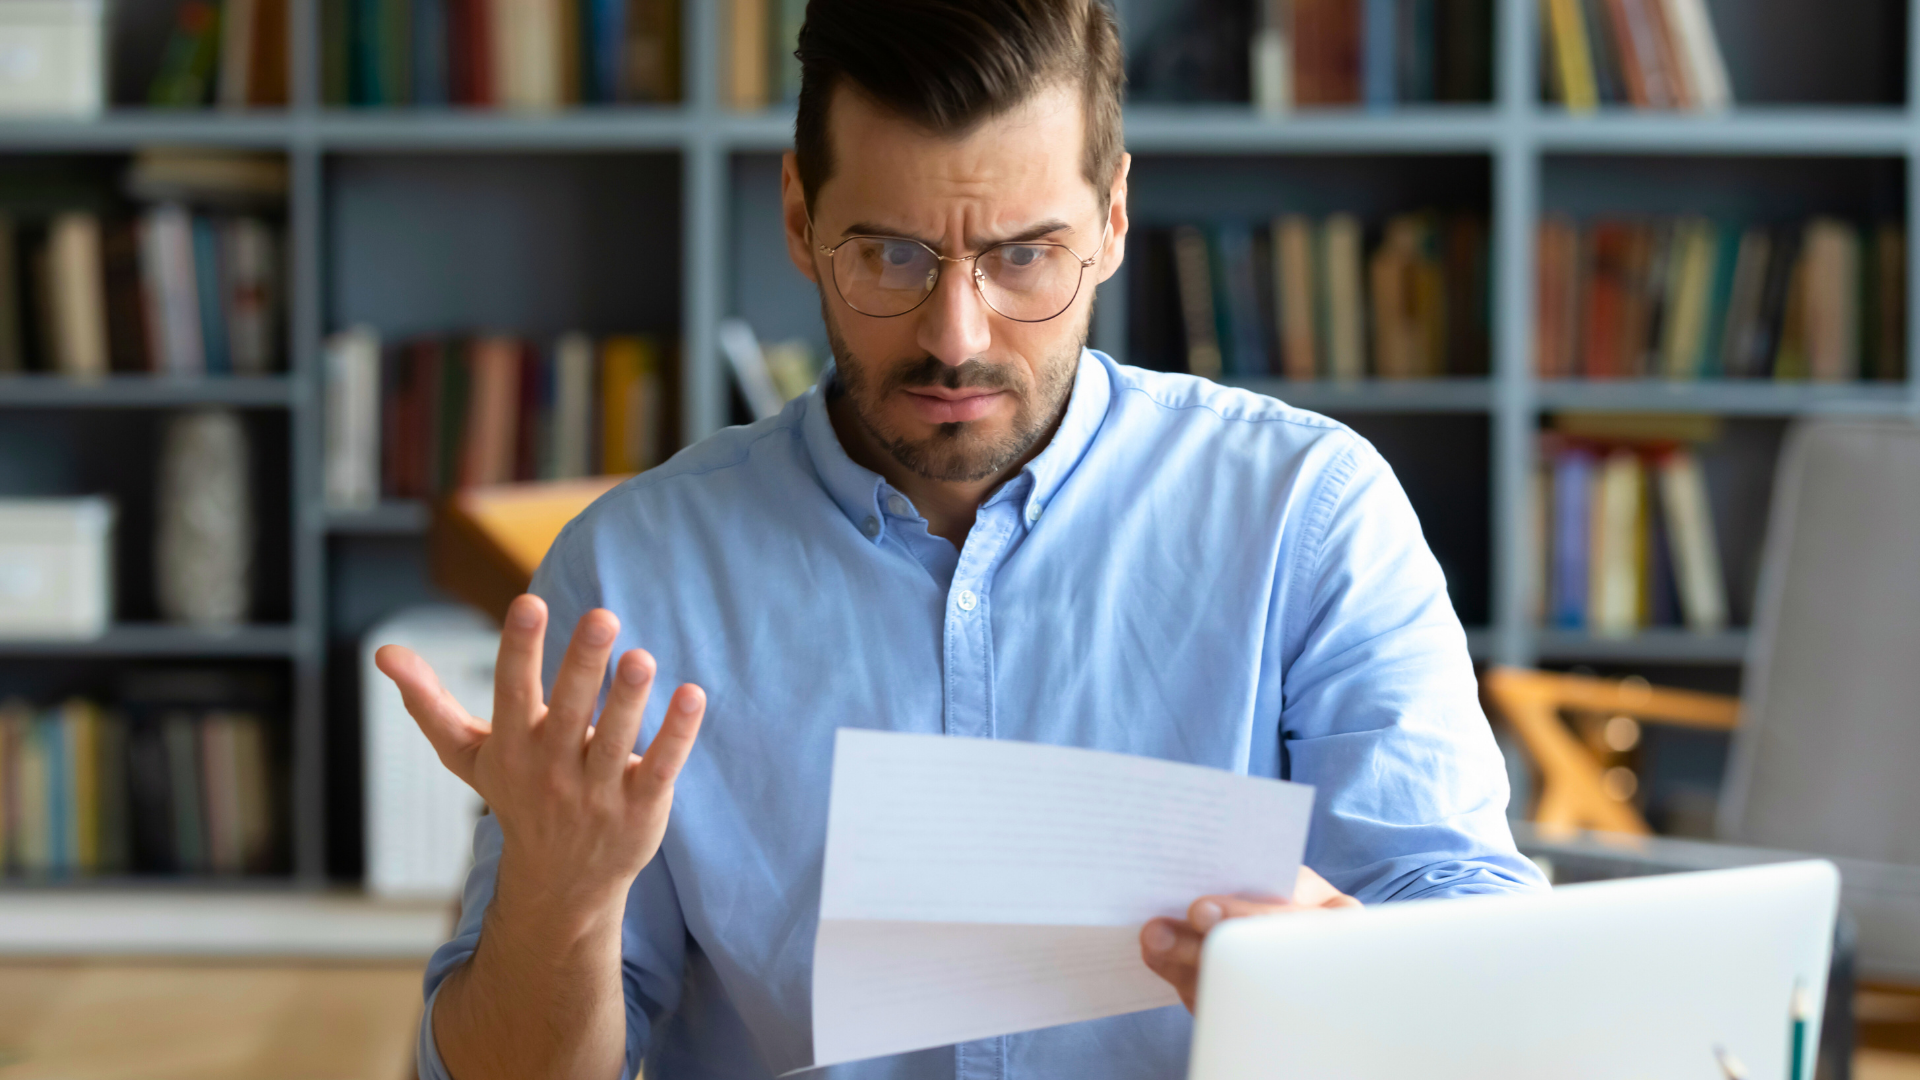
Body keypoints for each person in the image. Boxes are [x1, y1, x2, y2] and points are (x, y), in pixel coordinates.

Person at [378, 1, 1547, 1077]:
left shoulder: (1310, 513)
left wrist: (1349, 966)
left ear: (1115, 218)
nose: (954, 336)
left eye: (1023, 255)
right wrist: (563, 907)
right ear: (799, 217)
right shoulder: (634, 573)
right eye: (891, 254)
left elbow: (1469, 936)